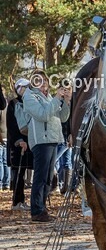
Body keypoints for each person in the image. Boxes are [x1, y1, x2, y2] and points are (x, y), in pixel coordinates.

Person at [15, 71, 72, 223]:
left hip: (53, 139)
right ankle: (37, 211)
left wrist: (66, 101)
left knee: (48, 178)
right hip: (41, 140)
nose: (44, 82)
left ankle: (42, 208)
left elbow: (62, 117)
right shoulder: (30, 97)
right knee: (40, 177)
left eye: (45, 80)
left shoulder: (48, 97)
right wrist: (57, 98)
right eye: (39, 80)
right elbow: (43, 115)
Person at [6, 79, 32, 210]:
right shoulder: (13, 103)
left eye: (28, 86)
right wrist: (19, 140)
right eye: (24, 87)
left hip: (29, 142)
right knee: (18, 173)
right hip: (17, 144)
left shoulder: (30, 102)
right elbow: (11, 125)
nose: (27, 89)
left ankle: (22, 200)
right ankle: (17, 201)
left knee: (24, 172)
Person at [0, 84, 9, 190]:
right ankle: (6, 182)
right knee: (5, 161)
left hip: (2, 135)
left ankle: (2, 181)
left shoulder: (2, 106)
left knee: (1, 161)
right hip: (7, 135)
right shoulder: (9, 104)